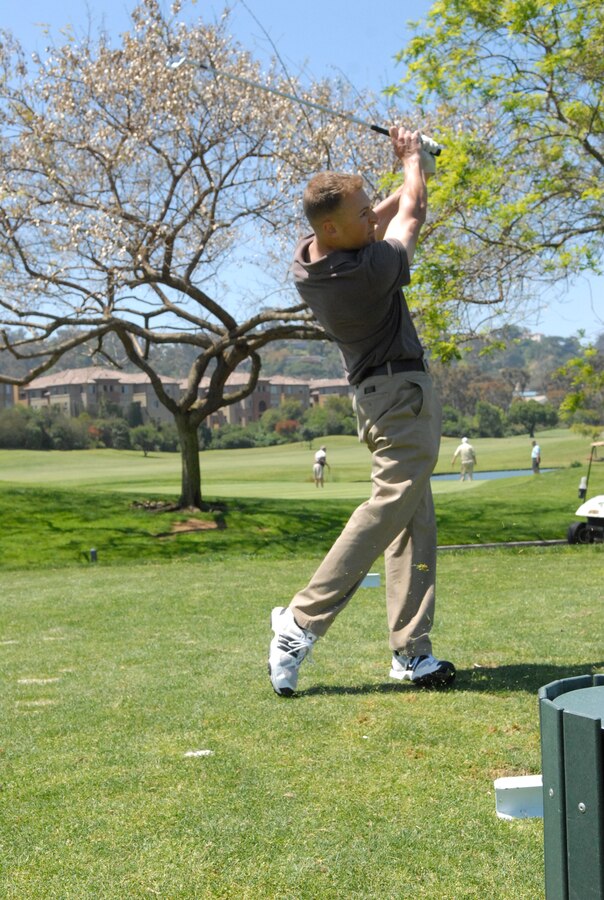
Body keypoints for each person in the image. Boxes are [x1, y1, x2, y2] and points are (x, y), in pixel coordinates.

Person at [268, 127, 456, 696]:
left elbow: (383, 210)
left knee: (413, 520)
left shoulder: (312, 258)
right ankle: (300, 623)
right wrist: (411, 162)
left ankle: (411, 652)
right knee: (387, 509)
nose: (372, 220)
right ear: (331, 227)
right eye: (361, 215)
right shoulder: (367, 271)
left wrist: (411, 164)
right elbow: (412, 211)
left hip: (380, 397)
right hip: (398, 398)